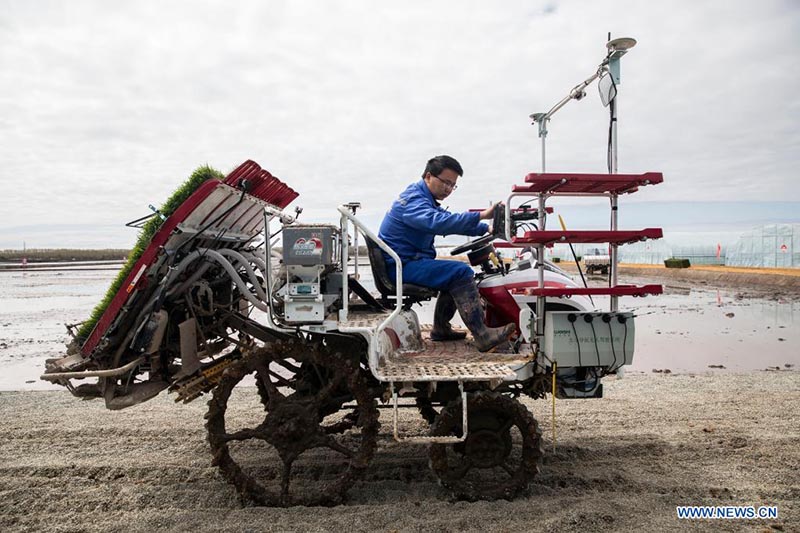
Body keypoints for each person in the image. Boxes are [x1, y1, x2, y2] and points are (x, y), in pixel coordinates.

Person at [378, 155, 515, 352]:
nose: (449, 189)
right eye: (446, 183)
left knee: (451, 272)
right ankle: (483, 335)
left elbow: (445, 219)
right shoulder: (413, 200)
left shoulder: (422, 199)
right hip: (400, 267)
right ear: (428, 176)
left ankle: (441, 329)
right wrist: (482, 215)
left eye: (453, 186)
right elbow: (438, 222)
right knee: (460, 272)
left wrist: (486, 228)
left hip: (406, 263)